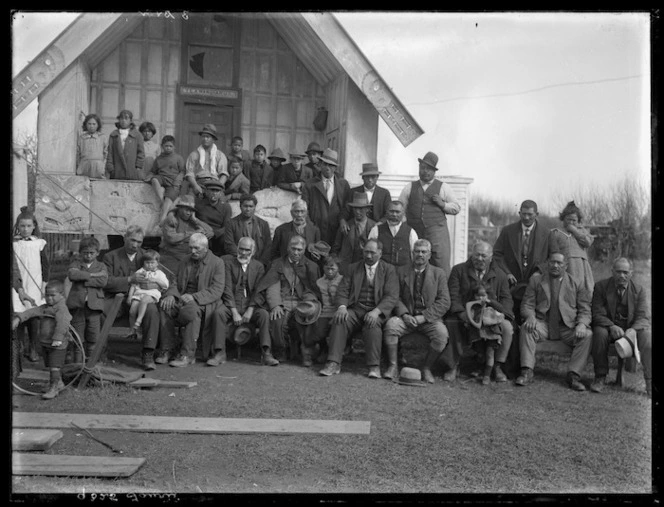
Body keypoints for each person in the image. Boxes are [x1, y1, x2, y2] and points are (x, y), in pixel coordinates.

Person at [320, 239, 398, 378]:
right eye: (366, 252)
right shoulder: (353, 268)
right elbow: (343, 291)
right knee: (340, 320)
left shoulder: (388, 270)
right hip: (356, 309)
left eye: (372, 253)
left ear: (380, 253)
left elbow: (391, 296)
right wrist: (342, 307)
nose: (368, 256)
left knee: (372, 325)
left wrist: (376, 311)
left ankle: (374, 366)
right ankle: (333, 362)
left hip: (376, 310)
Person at [515, 252, 593, 391]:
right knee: (526, 328)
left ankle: (573, 375)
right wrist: (530, 317)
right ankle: (527, 371)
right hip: (542, 324)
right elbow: (527, 304)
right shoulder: (537, 280)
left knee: (587, 335)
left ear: (566, 266)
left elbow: (585, 310)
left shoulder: (576, 283)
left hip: (567, 326)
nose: (555, 265)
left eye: (559, 263)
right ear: (547, 263)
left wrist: (581, 324)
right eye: (552, 262)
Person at [441, 241, 514, 382]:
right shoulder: (458, 270)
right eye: (476, 255)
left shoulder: (500, 275)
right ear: (471, 254)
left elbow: (507, 300)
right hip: (464, 313)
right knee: (453, 324)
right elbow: (453, 296)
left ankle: (497, 366)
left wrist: (500, 313)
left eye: (484, 256)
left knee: (507, 328)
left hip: (491, 315)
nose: (480, 259)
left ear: (491, 257)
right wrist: (463, 314)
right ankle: (453, 365)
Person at [383, 239, 450, 382]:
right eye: (417, 251)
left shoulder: (439, 274)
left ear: (429, 255)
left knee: (441, 335)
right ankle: (393, 366)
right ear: (412, 253)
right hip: (406, 317)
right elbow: (395, 296)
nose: (420, 255)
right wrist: (405, 315)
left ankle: (426, 368)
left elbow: (444, 301)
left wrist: (425, 317)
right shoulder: (400, 271)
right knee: (391, 326)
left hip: (428, 319)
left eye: (423, 252)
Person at [159, 233, 227, 367]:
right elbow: (174, 281)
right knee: (165, 306)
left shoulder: (217, 263)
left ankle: (187, 355)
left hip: (203, 302)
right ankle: (167, 349)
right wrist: (172, 295)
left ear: (206, 248)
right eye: (190, 248)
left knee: (191, 311)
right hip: (182, 298)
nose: (193, 251)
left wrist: (194, 297)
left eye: (197, 248)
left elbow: (217, 290)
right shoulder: (185, 260)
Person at [102, 225, 162, 370]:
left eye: (139, 242)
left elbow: (161, 276)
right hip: (116, 298)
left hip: (140, 297)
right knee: (99, 310)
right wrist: (129, 279)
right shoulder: (110, 257)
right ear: (125, 238)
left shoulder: (147, 257)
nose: (135, 245)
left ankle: (148, 353)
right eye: (132, 240)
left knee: (152, 311)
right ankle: (100, 352)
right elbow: (106, 281)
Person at [255, 235, 322, 363]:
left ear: (304, 250)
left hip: (301, 301)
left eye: (299, 250)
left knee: (308, 317)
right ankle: (281, 350)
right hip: (282, 301)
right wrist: (275, 305)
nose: (296, 252)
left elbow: (312, 289)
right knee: (277, 319)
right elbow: (272, 286)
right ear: (288, 248)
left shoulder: (311, 266)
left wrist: (309, 303)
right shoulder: (278, 264)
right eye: (293, 249)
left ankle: (306, 352)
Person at [590, 257, 651, 396]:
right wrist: (611, 326)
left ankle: (649, 381)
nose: (621, 275)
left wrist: (632, 330)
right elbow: (597, 313)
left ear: (631, 273)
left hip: (630, 331)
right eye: (618, 272)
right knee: (599, 333)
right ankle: (600, 377)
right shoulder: (601, 287)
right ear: (612, 272)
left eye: (625, 272)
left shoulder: (639, 290)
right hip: (608, 329)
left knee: (647, 337)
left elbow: (643, 317)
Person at [398, 151, 460, 274]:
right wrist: (406, 224)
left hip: (437, 232)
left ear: (434, 171)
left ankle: (442, 292)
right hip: (415, 231)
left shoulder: (443, 187)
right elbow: (401, 208)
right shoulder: (409, 187)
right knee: (413, 261)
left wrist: (443, 204)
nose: (425, 171)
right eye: (422, 168)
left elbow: (456, 207)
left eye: (428, 169)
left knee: (440, 263)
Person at [221, 237, 279, 366]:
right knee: (218, 313)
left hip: (250, 305)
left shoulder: (258, 266)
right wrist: (234, 311)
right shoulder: (228, 263)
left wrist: (250, 309)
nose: (243, 253)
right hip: (232, 304)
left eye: (247, 250)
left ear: (252, 251)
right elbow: (227, 289)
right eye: (241, 249)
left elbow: (259, 291)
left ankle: (266, 353)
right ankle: (219, 352)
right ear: (237, 249)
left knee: (263, 315)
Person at [492, 199, 549, 325]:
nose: (526, 217)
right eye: (523, 214)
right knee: (511, 318)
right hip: (512, 284)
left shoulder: (546, 233)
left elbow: (553, 257)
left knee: (531, 319)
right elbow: (497, 254)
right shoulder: (508, 231)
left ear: (537, 214)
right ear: (519, 213)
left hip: (535, 284)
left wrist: (539, 271)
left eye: (530, 214)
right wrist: (506, 273)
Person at [12, 280, 72, 399]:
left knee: (55, 366)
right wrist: (19, 319)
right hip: (46, 343)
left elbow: (63, 324)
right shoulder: (45, 308)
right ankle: (58, 383)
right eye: (47, 295)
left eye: (52, 295)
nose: (49, 298)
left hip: (57, 344)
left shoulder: (61, 309)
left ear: (62, 295)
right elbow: (31, 312)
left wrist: (58, 338)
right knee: (51, 365)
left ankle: (54, 388)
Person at [13, 206, 50, 363]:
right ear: (17, 227)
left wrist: (43, 286)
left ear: (34, 226)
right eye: (22, 226)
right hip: (18, 285)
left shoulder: (39, 243)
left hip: (34, 284)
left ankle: (33, 348)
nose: (26, 229)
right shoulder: (14, 244)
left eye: (29, 226)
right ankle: (19, 349)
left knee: (34, 316)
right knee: (18, 313)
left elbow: (46, 266)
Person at [66, 236, 109, 362]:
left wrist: (82, 279)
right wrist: (92, 275)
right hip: (77, 306)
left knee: (93, 338)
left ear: (97, 253)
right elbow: (72, 275)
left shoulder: (101, 266)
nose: (89, 256)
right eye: (85, 253)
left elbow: (102, 282)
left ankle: (91, 367)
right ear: (80, 253)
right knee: (78, 339)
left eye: (92, 253)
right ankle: (77, 366)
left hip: (94, 307)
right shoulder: (75, 264)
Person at [301, 148, 352, 246]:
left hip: (337, 231)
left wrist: (342, 219)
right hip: (316, 230)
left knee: (333, 257)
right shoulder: (310, 185)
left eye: (331, 165)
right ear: (320, 164)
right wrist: (311, 228)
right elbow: (304, 208)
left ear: (335, 168)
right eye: (325, 164)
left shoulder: (343, 184)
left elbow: (347, 206)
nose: (327, 168)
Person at [464, 285, 510, 385]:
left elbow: (501, 309)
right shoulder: (474, 306)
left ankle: (487, 376)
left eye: (483, 295)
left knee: (490, 353)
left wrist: (490, 302)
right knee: (480, 353)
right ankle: (480, 368)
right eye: (478, 295)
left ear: (488, 295)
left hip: (492, 333)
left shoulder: (492, 305)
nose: (481, 298)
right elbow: (470, 317)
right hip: (478, 334)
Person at [159, 194, 214, 276]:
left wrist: (195, 220)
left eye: (191, 210)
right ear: (180, 208)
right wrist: (193, 234)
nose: (189, 213)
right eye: (186, 210)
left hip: (190, 254)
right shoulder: (172, 219)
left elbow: (210, 232)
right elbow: (172, 238)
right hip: (172, 255)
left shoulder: (192, 220)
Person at [549, 200, 595, 294]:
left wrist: (575, 231)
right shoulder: (557, 232)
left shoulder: (582, 231)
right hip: (566, 265)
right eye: (568, 219)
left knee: (585, 290)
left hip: (582, 266)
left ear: (578, 221)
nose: (571, 222)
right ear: (563, 219)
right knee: (568, 289)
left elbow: (588, 242)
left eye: (574, 220)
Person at [308, 255, 344, 366]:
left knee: (336, 329)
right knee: (318, 332)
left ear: (338, 268)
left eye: (333, 268)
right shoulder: (319, 282)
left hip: (337, 312)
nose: (330, 271)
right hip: (324, 312)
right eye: (327, 268)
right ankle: (324, 349)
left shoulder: (342, 280)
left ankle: (333, 355)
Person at [127, 249, 169, 337]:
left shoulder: (159, 274)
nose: (150, 265)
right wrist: (130, 296)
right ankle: (133, 330)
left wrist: (156, 280)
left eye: (152, 263)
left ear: (157, 263)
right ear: (143, 263)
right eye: (147, 263)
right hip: (139, 293)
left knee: (144, 301)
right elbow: (133, 285)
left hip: (152, 293)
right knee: (132, 311)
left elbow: (165, 285)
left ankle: (138, 321)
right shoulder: (140, 272)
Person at [331, 193, 376, 275]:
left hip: (365, 270)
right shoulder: (345, 225)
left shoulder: (374, 227)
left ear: (367, 209)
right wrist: (337, 262)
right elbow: (335, 248)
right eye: (355, 208)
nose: (358, 211)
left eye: (361, 208)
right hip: (346, 269)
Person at [368, 200, 418, 271]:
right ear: (386, 212)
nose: (394, 214)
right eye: (391, 211)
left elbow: (415, 255)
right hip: (382, 272)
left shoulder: (411, 232)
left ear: (403, 214)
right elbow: (370, 252)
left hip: (403, 273)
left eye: (397, 212)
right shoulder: (376, 230)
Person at [146, 135, 186, 224]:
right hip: (162, 178)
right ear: (162, 146)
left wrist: (177, 183)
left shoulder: (178, 158)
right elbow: (153, 171)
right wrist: (149, 176)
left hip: (173, 183)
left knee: (168, 200)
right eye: (166, 146)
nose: (168, 148)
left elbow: (183, 171)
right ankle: (161, 200)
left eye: (170, 146)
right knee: (154, 180)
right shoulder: (159, 159)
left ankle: (162, 220)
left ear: (174, 147)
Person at [224, 194, 272, 267]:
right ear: (240, 206)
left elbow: (268, 245)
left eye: (251, 206)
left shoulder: (263, 224)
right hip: (239, 260)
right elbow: (229, 244)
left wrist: (260, 263)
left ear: (255, 207)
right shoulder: (231, 223)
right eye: (245, 206)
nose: (248, 209)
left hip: (259, 262)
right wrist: (243, 257)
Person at [183, 124, 228, 197]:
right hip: (198, 182)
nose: (205, 139)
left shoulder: (220, 155)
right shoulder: (194, 154)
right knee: (189, 202)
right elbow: (189, 174)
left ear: (213, 139)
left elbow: (224, 175)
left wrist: (218, 188)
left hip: (215, 183)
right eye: (203, 136)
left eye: (208, 137)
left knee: (221, 203)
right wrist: (195, 186)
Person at [195, 178, 233, 257]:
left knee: (225, 239)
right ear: (206, 191)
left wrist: (214, 233)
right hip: (203, 232)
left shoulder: (225, 207)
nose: (214, 193)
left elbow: (227, 226)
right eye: (212, 190)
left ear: (220, 193)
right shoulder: (198, 204)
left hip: (218, 236)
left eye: (217, 191)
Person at [105, 109, 145, 180]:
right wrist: (111, 168)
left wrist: (138, 167)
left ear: (130, 120)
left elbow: (141, 153)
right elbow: (110, 153)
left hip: (132, 170)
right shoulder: (114, 135)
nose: (123, 121)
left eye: (126, 118)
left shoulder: (137, 135)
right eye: (121, 118)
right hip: (117, 171)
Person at [76, 113, 108, 178]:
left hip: (98, 167)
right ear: (86, 125)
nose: (91, 126)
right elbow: (77, 153)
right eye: (89, 124)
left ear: (98, 125)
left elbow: (106, 153)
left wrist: (103, 166)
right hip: (84, 166)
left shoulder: (102, 137)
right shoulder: (82, 138)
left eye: (94, 124)